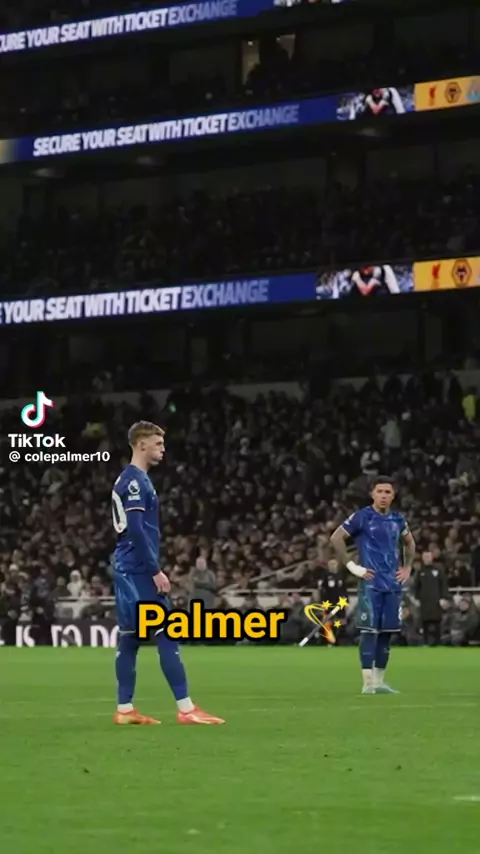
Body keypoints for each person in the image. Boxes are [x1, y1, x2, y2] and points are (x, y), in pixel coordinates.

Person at [111, 420, 224, 726]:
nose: (163, 449)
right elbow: (136, 529)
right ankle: (186, 709)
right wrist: (155, 571)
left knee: (130, 639)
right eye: (158, 443)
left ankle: (124, 709)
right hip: (137, 569)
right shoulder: (135, 482)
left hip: (126, 567)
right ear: (141, 444)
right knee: (167, 632)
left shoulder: (130, 479)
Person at [330, 476, 416, 694]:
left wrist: (407, 567)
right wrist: (352, 566)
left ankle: (379, 682)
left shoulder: (398, 519)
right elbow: (336, 538)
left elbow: (409, 542)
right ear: (372, 494)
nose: (383, 496)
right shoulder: (363, 517)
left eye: (388, 492)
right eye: (380, 491)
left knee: (387, 632)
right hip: (371, 584)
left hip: (393, 585)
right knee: (369, 631)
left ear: (393, 495)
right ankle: (367, 683)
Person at [412, 551, 449, 646]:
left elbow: (443, 584)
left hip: (436, 601)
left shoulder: (438, 569)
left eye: (428, 556)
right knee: (425, 623)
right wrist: (416, 598)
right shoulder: (420, 571)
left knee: (437, 623)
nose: (426, 558)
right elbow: (416, 586)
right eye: (425, 557)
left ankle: (438, 642)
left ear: (432, 557)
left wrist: (444, 597)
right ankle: (425, 642)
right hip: (424, 602)